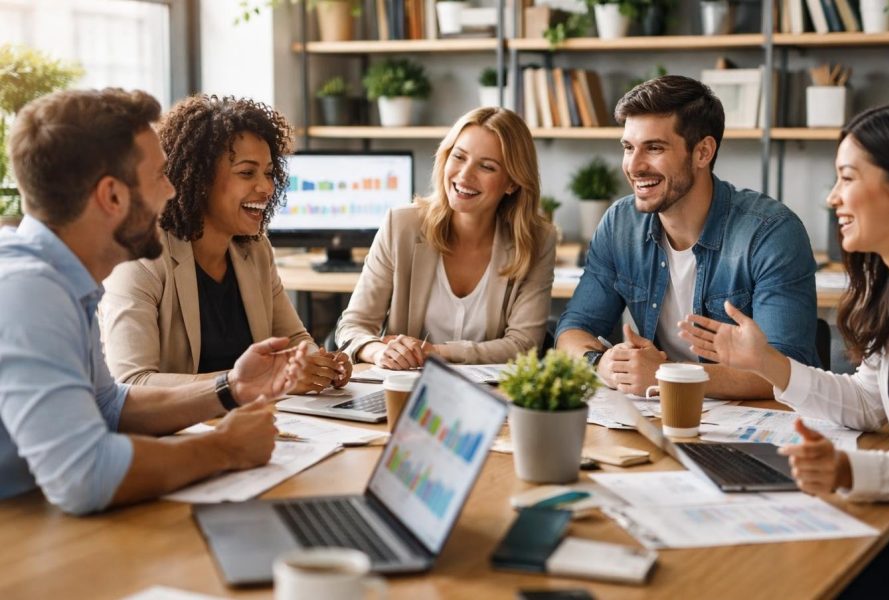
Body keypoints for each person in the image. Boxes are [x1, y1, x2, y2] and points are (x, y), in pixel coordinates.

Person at [680, 100, 889, 597]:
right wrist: (767, 363)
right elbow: (868, 401)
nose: (832, 197)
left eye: (847, 177)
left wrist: (844, 468)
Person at [0, 88, 314, 514]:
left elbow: (109, 405)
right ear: (112, 196)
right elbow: (84, 475)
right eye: (160, 176)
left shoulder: (62, 281)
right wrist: (225, 448)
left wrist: (232, 388)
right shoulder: (30, 292)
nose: (172, 191)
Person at [556, 75, 819, 400]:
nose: (634, 166)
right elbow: (572, 330)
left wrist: (666, 375)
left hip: (757, 420)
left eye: (654, 148)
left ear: (703, 152)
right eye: (628, 148)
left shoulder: (771, 232)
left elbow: (788, 368)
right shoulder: (619, 224)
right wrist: (601, 364)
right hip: (662, 413)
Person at [99, 95, 349, 394]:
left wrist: (320, 364)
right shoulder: (141, 258)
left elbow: (295, 340)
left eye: (269, 173)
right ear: (199, 179)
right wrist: (249, 383)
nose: (266, 187)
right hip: (184, 423)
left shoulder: (255, 250)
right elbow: (131, 383)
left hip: (255, 418)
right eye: (246, 173)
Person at [335, 107, 556, 369]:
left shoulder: (537, 240)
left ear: (512, 183)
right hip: (405, 386)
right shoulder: (401, 226)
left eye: (487, 166)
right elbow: (353, 326)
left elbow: (524, 344)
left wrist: (436, 352)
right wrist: (378, 351)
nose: (464, 175)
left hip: (489, 390)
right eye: (459, 156)